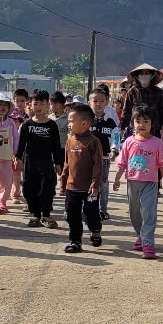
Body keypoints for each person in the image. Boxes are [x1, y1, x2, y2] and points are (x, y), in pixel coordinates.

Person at [113, 105, 163, 260]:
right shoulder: (128, 142)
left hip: (151, 183)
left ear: (152, 124)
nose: (142, 124)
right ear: (133, 123)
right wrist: (118, 179)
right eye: (138, 121)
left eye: (146, 121)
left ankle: (148, 244)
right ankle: (140, 235)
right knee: (135, 213)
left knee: (148, 213)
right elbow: (122, 163)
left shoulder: (157, 143)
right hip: (132, 183)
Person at [16, 89, 63, 228]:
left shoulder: (52, 125)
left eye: (42, 104)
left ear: (48, 105)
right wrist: (18, 158)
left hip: (47, 162)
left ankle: (47, 215)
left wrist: (58, 162)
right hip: (30, 162)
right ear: (30, 105)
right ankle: (35, 215)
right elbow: (21, 144)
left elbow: (56, 145)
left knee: (47, 188)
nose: (39, 107)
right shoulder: (27, 125)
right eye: (35, 104)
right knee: (29, 188)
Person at [60, 103, 103, 253]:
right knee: (72, 216)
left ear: (84, 123)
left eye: (71, 121)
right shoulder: (69, 141)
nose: (69, 124)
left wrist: (95, 184)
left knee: (91, 213)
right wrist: (63, 182)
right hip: (72, 187)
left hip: (89, 188)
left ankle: (95, 230)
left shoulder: (93, 142)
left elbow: (98, 164)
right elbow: (66, 164)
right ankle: (75, 241)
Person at [119, 64, 163, 141]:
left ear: (151, 76)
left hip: (155, 130)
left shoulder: (159, 92)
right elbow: (126, 112)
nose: (144, 76)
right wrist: (123, 128)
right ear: (137, 76)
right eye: (141, 73)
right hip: (136, 130)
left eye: (147, 73)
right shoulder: (132, 92)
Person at [88, 88, 117, 220]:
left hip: (104, 159)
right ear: (89, 102)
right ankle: (89, 209)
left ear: (107, 102)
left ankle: (103, 210)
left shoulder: (110, 122)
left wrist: (114, 150)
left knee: (103, 185)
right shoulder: (85, 121)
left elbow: (115, 137)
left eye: (102, 101)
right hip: (86, 160)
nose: (98, 104)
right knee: (87, 184)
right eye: (95, 101)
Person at [8, 88, 30, 204]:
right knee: (15, 172)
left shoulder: (30, 115)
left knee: (26, 172)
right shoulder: (11, 116)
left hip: (27, 148)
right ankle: (15, 194)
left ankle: (27, 192)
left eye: (23, 101)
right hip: (15, 148)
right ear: (13, 101)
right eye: (18, 101)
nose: (20, 103)